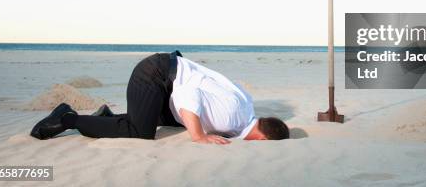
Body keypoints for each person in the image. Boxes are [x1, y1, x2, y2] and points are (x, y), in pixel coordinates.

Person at [30, 51, 289, 143]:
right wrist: (198, 136)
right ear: (262, 138)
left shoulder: (245, 107)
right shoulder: (232, 119)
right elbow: (189, 92)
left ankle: (107, 119)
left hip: (168, 77)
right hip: (154, 75)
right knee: (140, 132)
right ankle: (67, 118)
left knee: (179, 120)